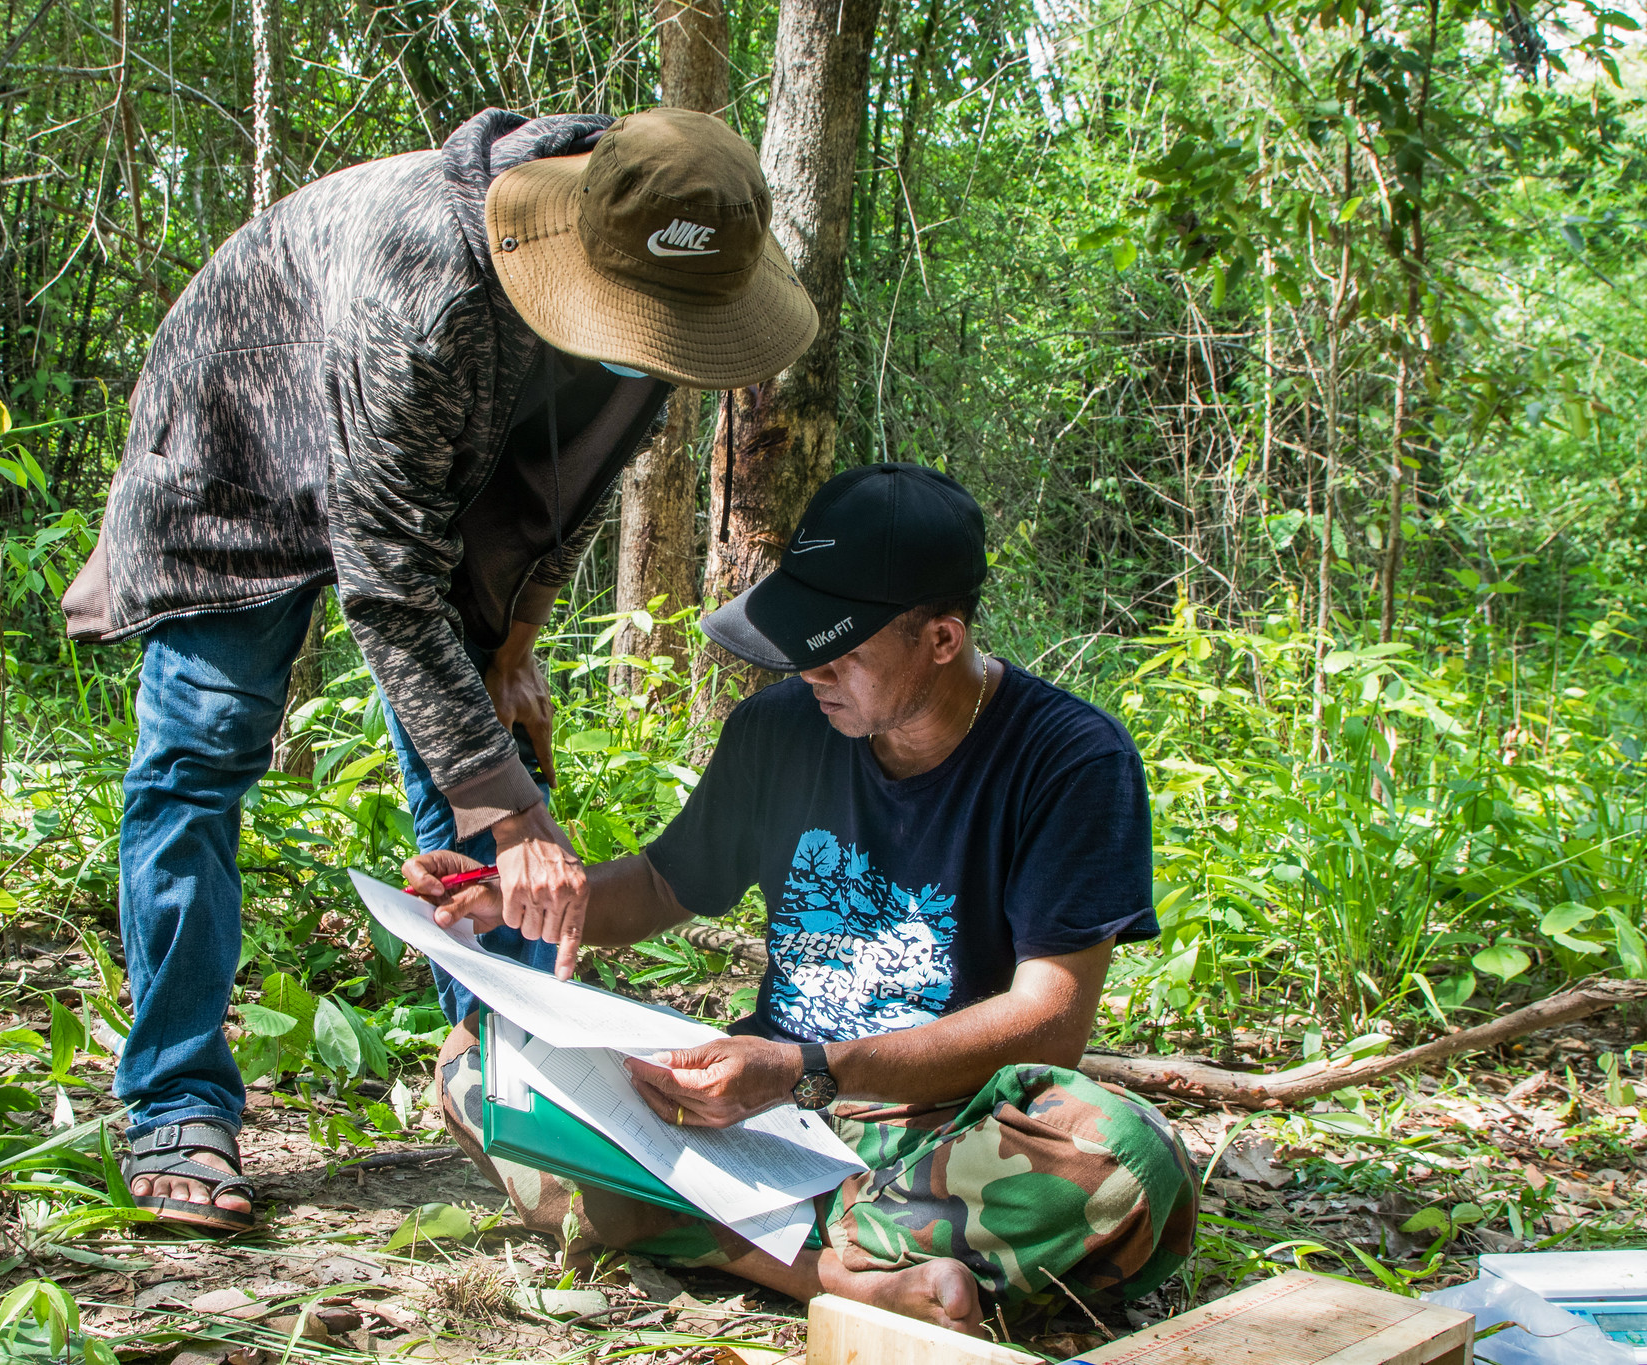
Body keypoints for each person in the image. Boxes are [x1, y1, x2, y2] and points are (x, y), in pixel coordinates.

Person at [62, 107, 818, 1231]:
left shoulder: (677, 278)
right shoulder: (428, 289)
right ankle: (175, 1098)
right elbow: (385, 586)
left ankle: (517, 1064)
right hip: (238, 444)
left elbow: (578, 477)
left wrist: (517, 641)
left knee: (486, 747)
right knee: (200, 757)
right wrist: (510, 818)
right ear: (574, 248)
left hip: (439, 467)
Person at [406, 464, 1200, 1336]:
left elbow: (1050, 1019)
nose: (812, 669)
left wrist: (814, 1066)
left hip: (940, 1127)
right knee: (476, 1062)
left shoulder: (1071, 759)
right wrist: (513, 898)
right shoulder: (781, 728)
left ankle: (680, 1219)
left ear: (942, 638)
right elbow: (669, 881)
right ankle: (840, 1270)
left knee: (1128, 1156)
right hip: (758, 1111)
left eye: (844, 650)